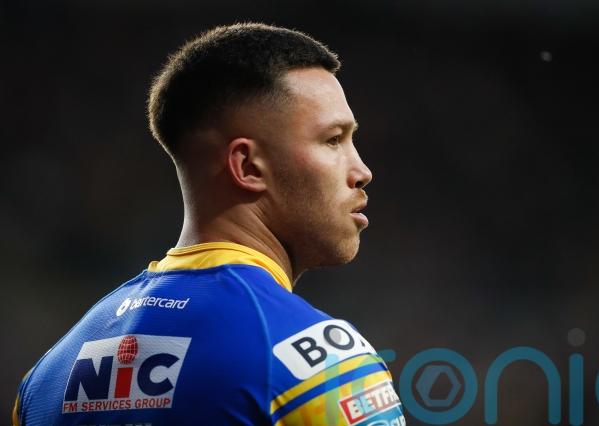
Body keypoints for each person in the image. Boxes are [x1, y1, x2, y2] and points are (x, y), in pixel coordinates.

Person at [13, 23, 405, 425]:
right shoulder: (320, 368)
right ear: (248, 167)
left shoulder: (46, 379)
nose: (362, 171)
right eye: (333, 140)